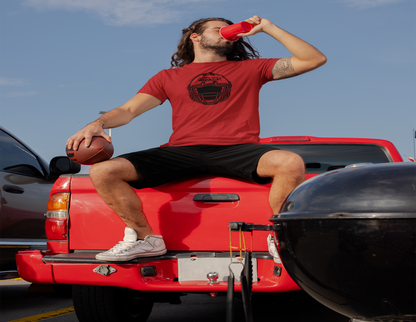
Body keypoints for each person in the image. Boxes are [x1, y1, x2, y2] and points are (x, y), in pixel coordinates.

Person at [67, 15, 327, 262]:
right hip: (181, 151)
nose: (227, 31)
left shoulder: (252, 68)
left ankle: (281, 238)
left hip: (237, 149)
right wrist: (97, 123)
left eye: (231, 29)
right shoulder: (168, 77)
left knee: (290, 162)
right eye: (218, 28)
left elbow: (314, 59)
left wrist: (269, 28)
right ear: (195, 37)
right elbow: (129, 110)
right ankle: (146, 239)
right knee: (104, 172)